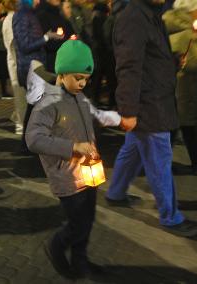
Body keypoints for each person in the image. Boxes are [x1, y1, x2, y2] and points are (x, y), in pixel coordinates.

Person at [105, 0, 197, 237]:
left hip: (152, 99)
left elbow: (149, 57)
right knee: (159, 160)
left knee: (132, 151)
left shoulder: (148, 13)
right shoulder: (133, 17)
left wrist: (171, 62)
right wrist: (128, 110)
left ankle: (116, 193)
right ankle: (171, 217)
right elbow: (128, 66)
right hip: (148, 105)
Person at [26, 39, 121, 279]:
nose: (82, 83)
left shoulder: (79, 97)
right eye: (78, 77)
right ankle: (56, 246)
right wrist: (73, 147)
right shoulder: (48, 103)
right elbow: (34, 139)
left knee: (87, 221)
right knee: (77, 223)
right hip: (67, 177)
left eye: (86, 79)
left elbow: (93, 117)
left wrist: (118, 120)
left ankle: (81, 262)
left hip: (88, 173)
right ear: (62, 72)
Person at [163, 0, 197, 173]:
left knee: (179, 125)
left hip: (171, 82)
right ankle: (165, 164)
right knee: (181, 124)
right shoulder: (188, 33)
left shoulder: (169, 27)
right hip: (184, 84)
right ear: (191, 11)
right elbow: (194, 63)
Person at [13, 0, 62, 153]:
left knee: (35, 105)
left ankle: (29, 143)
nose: (38, 1)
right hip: (30, 69)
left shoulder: (29, 15)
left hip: (36, 67)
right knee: (34, 106)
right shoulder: (21, 16)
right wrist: (46, 38)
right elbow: (24, 45)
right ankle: (27, 144)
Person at [2, 0, 25, 134]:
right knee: (21, 96)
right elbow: (14, 46)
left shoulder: (15, 18)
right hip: (17, 65)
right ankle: (21, 126)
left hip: (18, 64)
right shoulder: (11, 20)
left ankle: (19, 119)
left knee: (22, 97)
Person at [36, 0, 74, 72]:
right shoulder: (42, 14)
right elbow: (46, 42)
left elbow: (69, 32)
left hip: (64, 59)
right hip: (52, 62)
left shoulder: (56, 12)